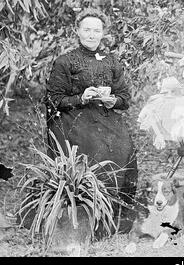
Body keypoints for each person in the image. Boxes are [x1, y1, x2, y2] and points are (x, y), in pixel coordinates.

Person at [45, 8, 138, 233]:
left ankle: (114, 217)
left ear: (103, 33)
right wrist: (81, 97)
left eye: (96, 30)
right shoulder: (65, 62)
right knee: (94, 146)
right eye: (87, 30)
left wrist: (111, 100)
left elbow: (125, 99)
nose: (91, 35)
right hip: (73, 119)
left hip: (106, 118)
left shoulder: (111, 61)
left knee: (125, 146)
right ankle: (86, 219)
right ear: (77, 31)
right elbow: (53, 100)